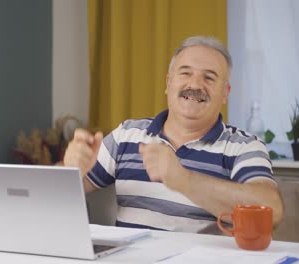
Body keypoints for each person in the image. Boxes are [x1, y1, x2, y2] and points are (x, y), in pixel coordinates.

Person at [63, 36, 283, 233]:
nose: (195, 84)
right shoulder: (127, 134)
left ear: (225, 93)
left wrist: (184, 180)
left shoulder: (244, 147)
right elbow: (58, 195)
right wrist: (70, 169)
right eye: (185, 73)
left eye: (209, 78)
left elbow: (270, 212)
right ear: (168, 82)